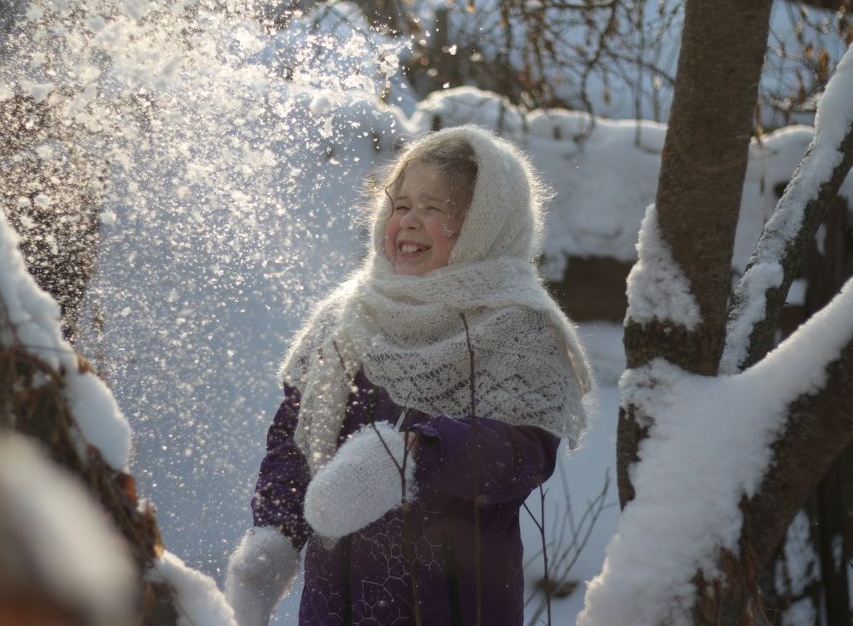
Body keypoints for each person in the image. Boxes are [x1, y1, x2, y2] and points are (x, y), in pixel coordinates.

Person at [224, 125, 594, 626]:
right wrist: (273, 537)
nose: (409, 222)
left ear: (485, 224)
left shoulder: (517, 325)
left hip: (451, 603)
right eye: (400, 206)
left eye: (434, 207)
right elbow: (294, 437)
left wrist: (416, 455)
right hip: (333, 605)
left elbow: (523, 454)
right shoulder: (349, 317)